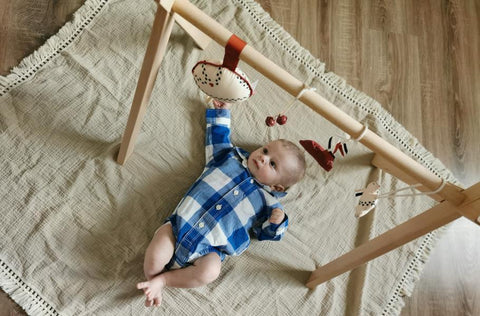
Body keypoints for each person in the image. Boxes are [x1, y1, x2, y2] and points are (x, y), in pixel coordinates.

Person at [136, 99, 306, 307]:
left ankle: (163, 281)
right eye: (265, 150)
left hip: (209, 250)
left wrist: (277, 222)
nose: (263, 158)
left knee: (211, 271)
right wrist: (221, 114)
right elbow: (217, 137)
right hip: (178, 227)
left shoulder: (268, 203)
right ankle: (151, 278)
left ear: (278, 187)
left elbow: (265, 233)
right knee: (156, 253)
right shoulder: (228, 157)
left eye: (272, 164)